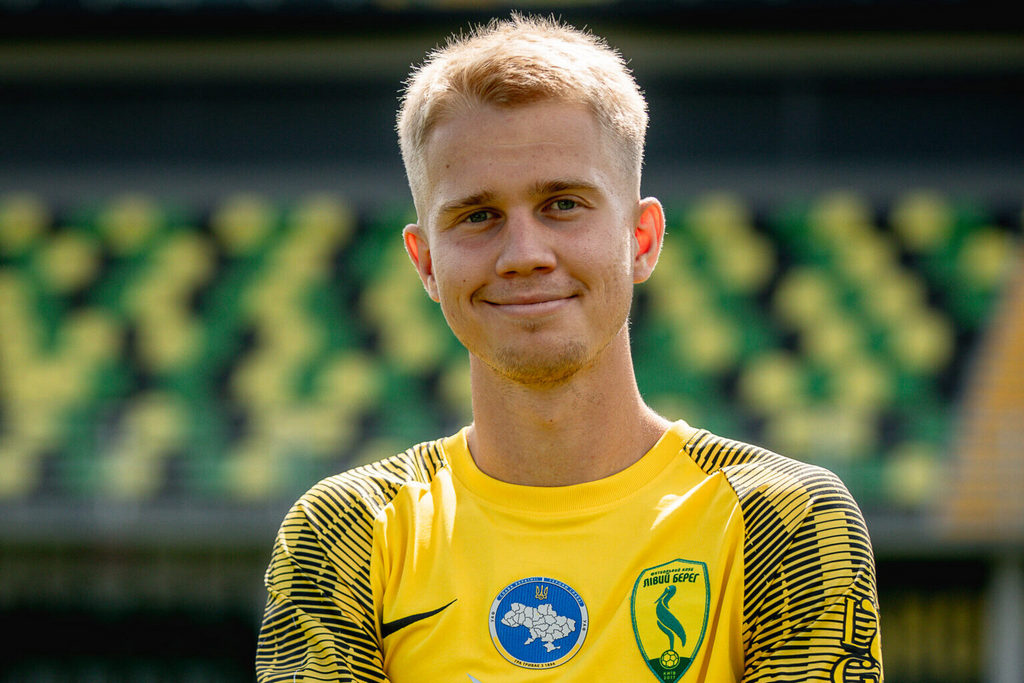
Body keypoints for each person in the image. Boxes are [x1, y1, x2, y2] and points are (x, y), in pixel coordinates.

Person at [256, 14, 883, 682]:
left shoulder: (785, 520)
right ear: (427, 262)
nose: (524, 254)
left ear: (641, 239)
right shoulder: (343, 533)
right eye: (477, 216)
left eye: (563, 204)